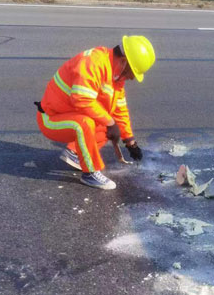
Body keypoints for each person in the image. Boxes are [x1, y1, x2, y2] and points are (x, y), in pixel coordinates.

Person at [35, 35, 155, 190]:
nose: (131, 78)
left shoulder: (116, 76)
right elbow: (81, 99)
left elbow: (120, 110)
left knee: (106, 126)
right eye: (131, 73)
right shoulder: (93, 63)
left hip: (68, 114)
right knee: (86, 124)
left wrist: (130, 141)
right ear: (124, 61)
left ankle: (75, 153)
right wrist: (110, 122)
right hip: (51, 118)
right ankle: (90, 173)